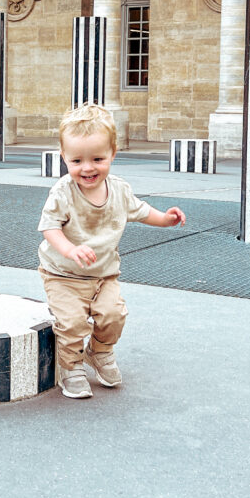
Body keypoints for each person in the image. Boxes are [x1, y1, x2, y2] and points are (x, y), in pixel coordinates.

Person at [38, 102, 186, 398]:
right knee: (72, 323)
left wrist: (166, 220)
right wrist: (70, 250)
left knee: (113, 315)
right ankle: (71, 367)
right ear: (64, 157)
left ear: (112, 154)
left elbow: (142, 211)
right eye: (77, 160)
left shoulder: (119, 189)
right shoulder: (63, 192)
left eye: (97, 158)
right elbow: (49, 227)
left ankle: (100, 351)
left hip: (104, 275)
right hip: (63, 275)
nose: (88, 167)